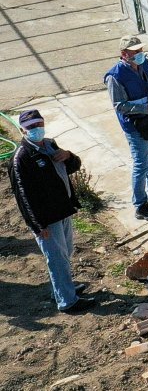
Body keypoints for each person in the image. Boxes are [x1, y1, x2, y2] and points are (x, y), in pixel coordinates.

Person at [9, 110, 95, 314]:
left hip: (63, 210)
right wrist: (37, 226)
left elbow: (72, 167)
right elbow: (23, 197)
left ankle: (61, 290)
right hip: (47, 219)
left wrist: (69, 156)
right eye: (31, 127)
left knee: (65, 253)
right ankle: (67, 301)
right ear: (22, 130)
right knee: (57, 259)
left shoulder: (50, 145)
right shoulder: (21, 158)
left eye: (38, 125)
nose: (36, 129)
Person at [104, 34, 148, 221]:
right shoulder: (115, 76)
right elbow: (120, 106)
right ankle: (140, 205)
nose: (139, 54)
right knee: (141, 164)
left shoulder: (144, 64)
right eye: (135, 51)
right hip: (137, 126)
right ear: (124, 53)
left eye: (140, 50)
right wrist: (147, 108)